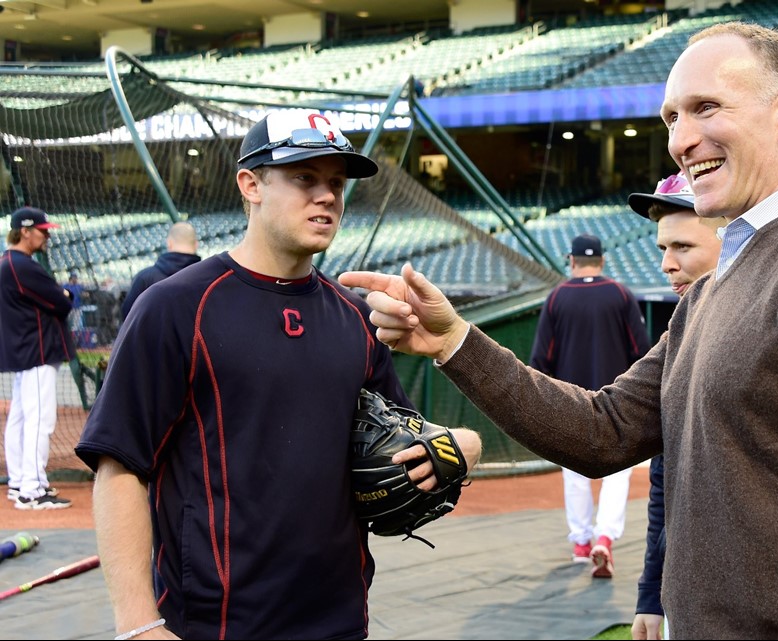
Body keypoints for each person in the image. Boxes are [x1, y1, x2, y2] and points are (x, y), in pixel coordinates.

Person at [341, 20, 778, 640]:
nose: (682, 140)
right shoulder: (716, 286)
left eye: (705, 108)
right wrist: (452, 342)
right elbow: (602, 432)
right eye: (670, 119)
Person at [75, 109, 483, 640]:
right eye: (304, 178)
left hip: (340, 619)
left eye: (336, 182)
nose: (327, 196)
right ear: (251, 185)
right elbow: (119, 466)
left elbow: (402, 446)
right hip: (214, 624)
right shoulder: (175, 307)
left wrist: (461, 448)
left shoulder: (358, 320)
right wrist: (136, 622)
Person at [625, 171, 724, 639]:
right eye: (662, 249)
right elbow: (664, 483)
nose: (667, 264)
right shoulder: (681, 333)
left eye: (682, 247)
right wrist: (651, 590)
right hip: (685, 599)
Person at [529, 232, 651, 579]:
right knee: (616, 476)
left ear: (571, 261)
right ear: (602, 260)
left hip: (571, 403)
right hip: (617, 402)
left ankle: (581, 544)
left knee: (575, 476)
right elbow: (641, 352)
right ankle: (604, 539)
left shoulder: (556, 298)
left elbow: (541, 361)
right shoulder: (620, 294)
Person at [1, 206, 75, 510]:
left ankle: (20, 481)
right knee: (39, 419)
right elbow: (60, 302)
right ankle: (31, 489)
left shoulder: (8, 263)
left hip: (24, 350)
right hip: (37, 351)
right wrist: (66, 295)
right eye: (42, 230)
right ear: (25, 231)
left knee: (20, 417)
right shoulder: (22, 265)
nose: (46, 235)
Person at [120, 220, 201, 320]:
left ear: (169, 243)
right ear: (196, 244)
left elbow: (128, 317)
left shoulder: (145, 278)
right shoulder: (210, 277)